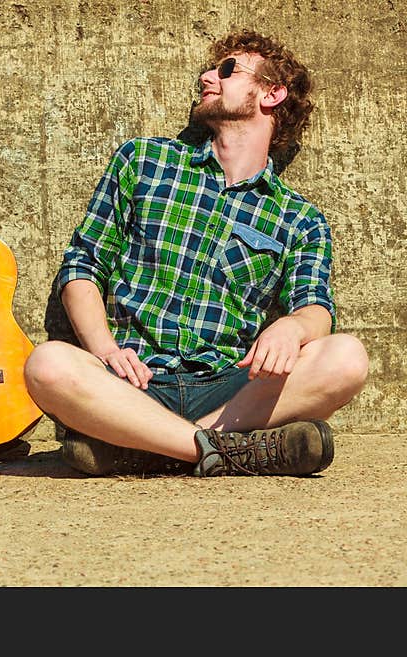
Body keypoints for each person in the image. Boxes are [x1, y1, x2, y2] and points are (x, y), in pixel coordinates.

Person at [23, 29, 369, 477]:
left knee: (346, 356)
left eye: (227, 70)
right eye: (209, 70)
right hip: (132, 382)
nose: (208, 77)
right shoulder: (144, 161)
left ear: (272, 93)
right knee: (47, 364)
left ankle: (150, 448)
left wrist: (291, 327)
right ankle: (230, 452)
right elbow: (82, 266)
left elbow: (316, 310)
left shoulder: (299, 217)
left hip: (229, 390)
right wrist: (105, 349)